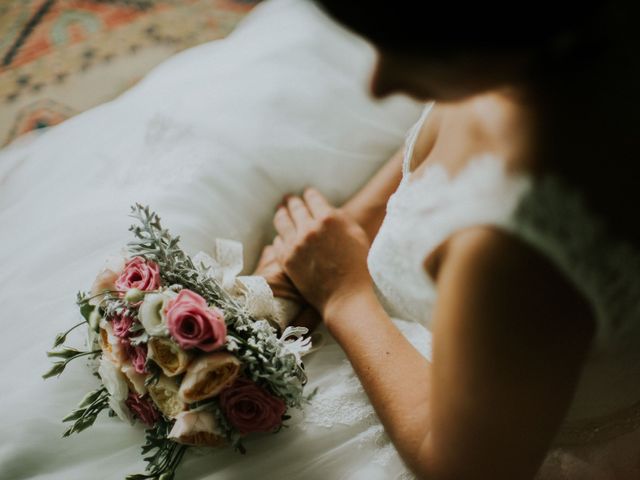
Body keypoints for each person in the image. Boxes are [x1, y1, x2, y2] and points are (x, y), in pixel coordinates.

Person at [258, 0, 640, 478]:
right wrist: (352, 222)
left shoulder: (521, 250)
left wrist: (342, 293)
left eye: (420, 53)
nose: (381, 84)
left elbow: (462, 467)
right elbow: (439, 139)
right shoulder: (545, 54)